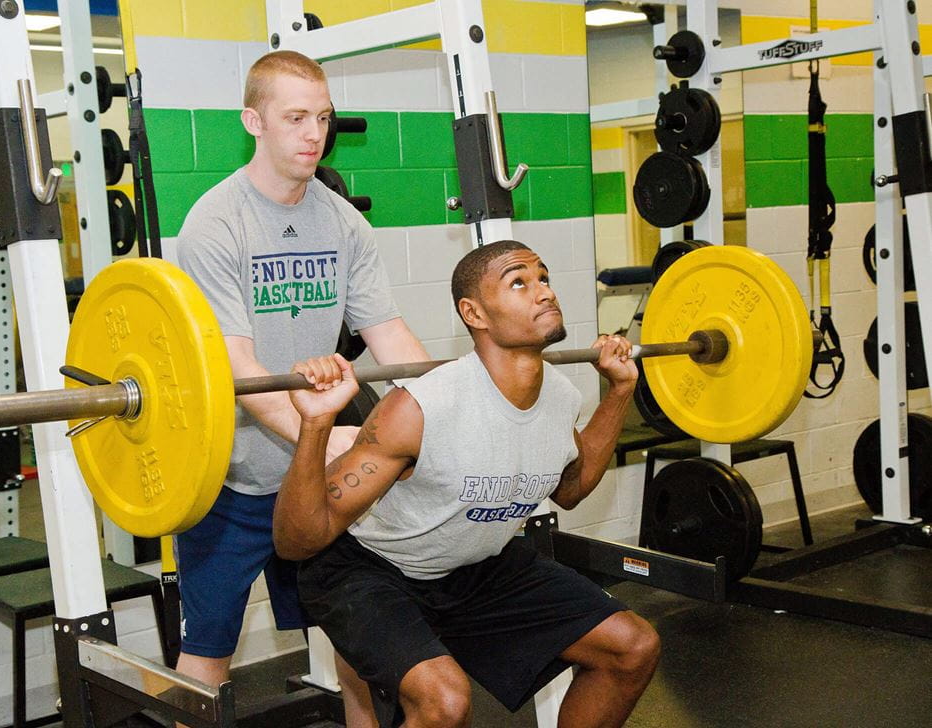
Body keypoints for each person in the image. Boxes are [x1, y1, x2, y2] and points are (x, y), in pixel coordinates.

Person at [274, 240, 661, 728]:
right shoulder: (419, 408)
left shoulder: (561, 397)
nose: (543, 292)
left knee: (632, 647)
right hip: (371, 570)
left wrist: (620, 391)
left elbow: (571, 488)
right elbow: (296, 542)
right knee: (446, 702)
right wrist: (315, 425)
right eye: (518, 282)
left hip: (475, 566)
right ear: (473, 313)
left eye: (544, 277)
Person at [174, 49, 427, 726]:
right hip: (230, 479)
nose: (314, 133)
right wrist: (334, 436)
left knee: (355, 636)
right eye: (294, 118)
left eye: (322, 117)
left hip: (316, 478)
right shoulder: (215, 223)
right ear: (253, 120)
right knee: (206, 658)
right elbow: (241, 371)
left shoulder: (345, 223)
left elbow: (392, 339)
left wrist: (443, 414)